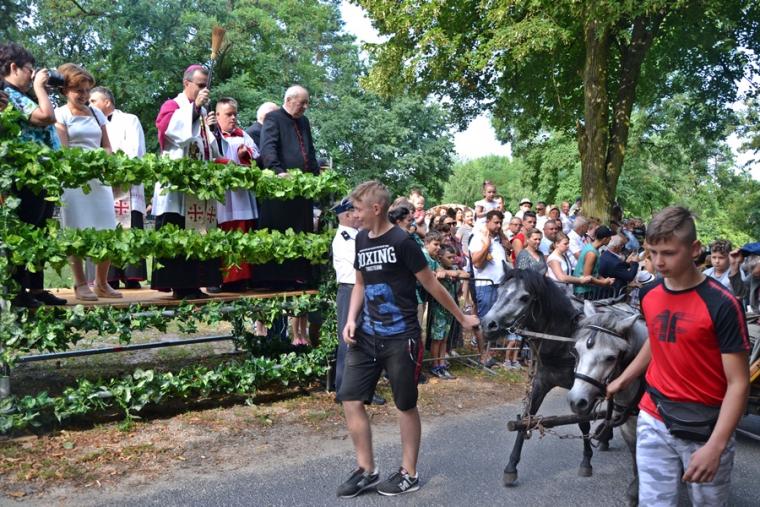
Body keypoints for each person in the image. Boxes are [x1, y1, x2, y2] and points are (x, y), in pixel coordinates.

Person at [336, 181, 478, 498]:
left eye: (357, 209)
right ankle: (366, 469)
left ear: (376, 209)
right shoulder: (361, 239)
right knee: (350, 398)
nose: (354, 214)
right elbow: (359, 284)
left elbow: (431, 285)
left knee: (405, 405)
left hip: (402, 339)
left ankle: (408, 473)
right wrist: (351, 319)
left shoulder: (403, 242)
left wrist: (462, 317)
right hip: (366, 336)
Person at [607, 206, 750, 506]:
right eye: (652, 252)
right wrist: (623, 379)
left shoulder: (723, 305)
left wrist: (716, 445)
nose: (659, 262)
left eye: (669, 253)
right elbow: (657, 340)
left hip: (706, 426)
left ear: (695, 249)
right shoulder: (649, 294)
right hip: (654, 416)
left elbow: (739, 383)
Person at [1, 43, 66, 307]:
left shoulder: (21, 94)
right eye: (30, 69)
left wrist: (40, 90)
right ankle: (19, 293)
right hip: (27, 174)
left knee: (40, 233)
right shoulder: (7, 93)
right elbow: (46, 117)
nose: (33, 75)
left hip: (42, 174)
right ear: (13, 67)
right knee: (26, 232)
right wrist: (39, 88)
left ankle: (36, 290)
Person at [153, 64, 222, 299]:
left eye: (206, 86)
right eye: (200, 85)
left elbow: (208, 146)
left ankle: (193, 285)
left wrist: (210, 128)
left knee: (197, 232)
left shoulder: (200, 111)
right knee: (177, 232)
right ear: (186, 83)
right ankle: (179, 286)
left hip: (197, 185)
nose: (204, 90)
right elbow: (171, 132)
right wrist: (195, 109)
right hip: (177, 187)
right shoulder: (172, 106)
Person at [54, 63, 120, 301]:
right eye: (78, 90)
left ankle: (102, 283)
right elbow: (63, 150)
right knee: (76, 228)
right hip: (74, 180)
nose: (83, 95)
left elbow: (107, 145)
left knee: (107, 228)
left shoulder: (96, 113)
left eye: (86, 90)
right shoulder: (60, 114)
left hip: (99, 178)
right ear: (65, 90)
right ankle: (80, 283)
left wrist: (106, 161)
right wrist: (82, 166)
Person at [256, 85, 318, 291]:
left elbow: (309, 150)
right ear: (289, 100)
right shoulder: (273, 118)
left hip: (302, 189)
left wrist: (315, 177)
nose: (305, 107)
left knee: (300, 232)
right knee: (279, 231)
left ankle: (297, 277)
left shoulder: (304, 121)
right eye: (302, 103)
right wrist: (277, 171)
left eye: (307, 103)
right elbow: (268, 147)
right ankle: (275, 280)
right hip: (280, 189)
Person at [88, 86, 147, 290]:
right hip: (103, 183)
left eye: (93, 101)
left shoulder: (129, 120)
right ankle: (109, 277)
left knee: (129, 226)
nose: (90, 105)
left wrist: (116, 168)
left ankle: (131, 276)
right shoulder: (91, 123)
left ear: (107, 102)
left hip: (126, 181)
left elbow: (135, 148)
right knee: (106, 227)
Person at [210, 97, 260, 293]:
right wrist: (222, 162)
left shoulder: (242, 134)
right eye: (228, 114)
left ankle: (240, 279)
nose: (233, 118)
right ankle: (220, 279)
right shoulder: (211, 134)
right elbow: (206, 156)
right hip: (221, 195)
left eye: (234, 114)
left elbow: (255, 155)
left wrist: (244, 155)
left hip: (240, 196)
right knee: (220, 235)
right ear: (218, 115)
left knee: (241, 234)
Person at [469, 210, 509, 368]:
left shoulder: (498, 239)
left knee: (494, 321)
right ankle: (483, 356)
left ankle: (489, 354)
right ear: (487, 221)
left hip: (499, 285)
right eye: (496, 222)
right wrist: (486, 245)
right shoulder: (479, 238)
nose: (498, 226)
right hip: (485, 285)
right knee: (484, 320)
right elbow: (477, 263)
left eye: (500, 223)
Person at [428, 244, 469, 380]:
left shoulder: (452, 268)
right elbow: (432, 275)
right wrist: (443, 273)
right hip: (439, 308)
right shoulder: (435, 266)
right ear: (440, 257)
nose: (452, 260)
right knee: (437, 338)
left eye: (453, 257)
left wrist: (450, 273)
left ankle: (442, 363)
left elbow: (465, 274)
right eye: (449, 257)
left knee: (444, 338)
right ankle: (435, 365)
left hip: (450, 309)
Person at [572, 225, 615, 300]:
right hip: (583, 291)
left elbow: (594, 272)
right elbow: (587, 277)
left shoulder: (592, 248)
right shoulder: (592, 253)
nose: (610, 240)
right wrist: (603, 283)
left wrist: (604, 279)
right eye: (609, 238)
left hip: (587, 290)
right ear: (604, 239)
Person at [545, 232, 592, 297]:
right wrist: (580, 280)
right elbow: (561, 277)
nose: (568, 246)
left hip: (566, 291)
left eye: (568, 243)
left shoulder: (564, 255)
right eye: (565, 244)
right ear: (557, 244)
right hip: (556, 293)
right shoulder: (553, 258)